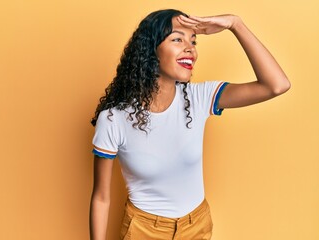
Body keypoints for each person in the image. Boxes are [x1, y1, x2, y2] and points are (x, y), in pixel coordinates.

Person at [89, 9, 290, 240]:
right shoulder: (114, 118)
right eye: (177, 39)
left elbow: (276, 85)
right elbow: (101, 198)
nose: (190, 48)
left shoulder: (199, 98)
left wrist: (236, 24)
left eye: (193, 41)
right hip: (143, 231)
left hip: (198, 226)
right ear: (150, 50)